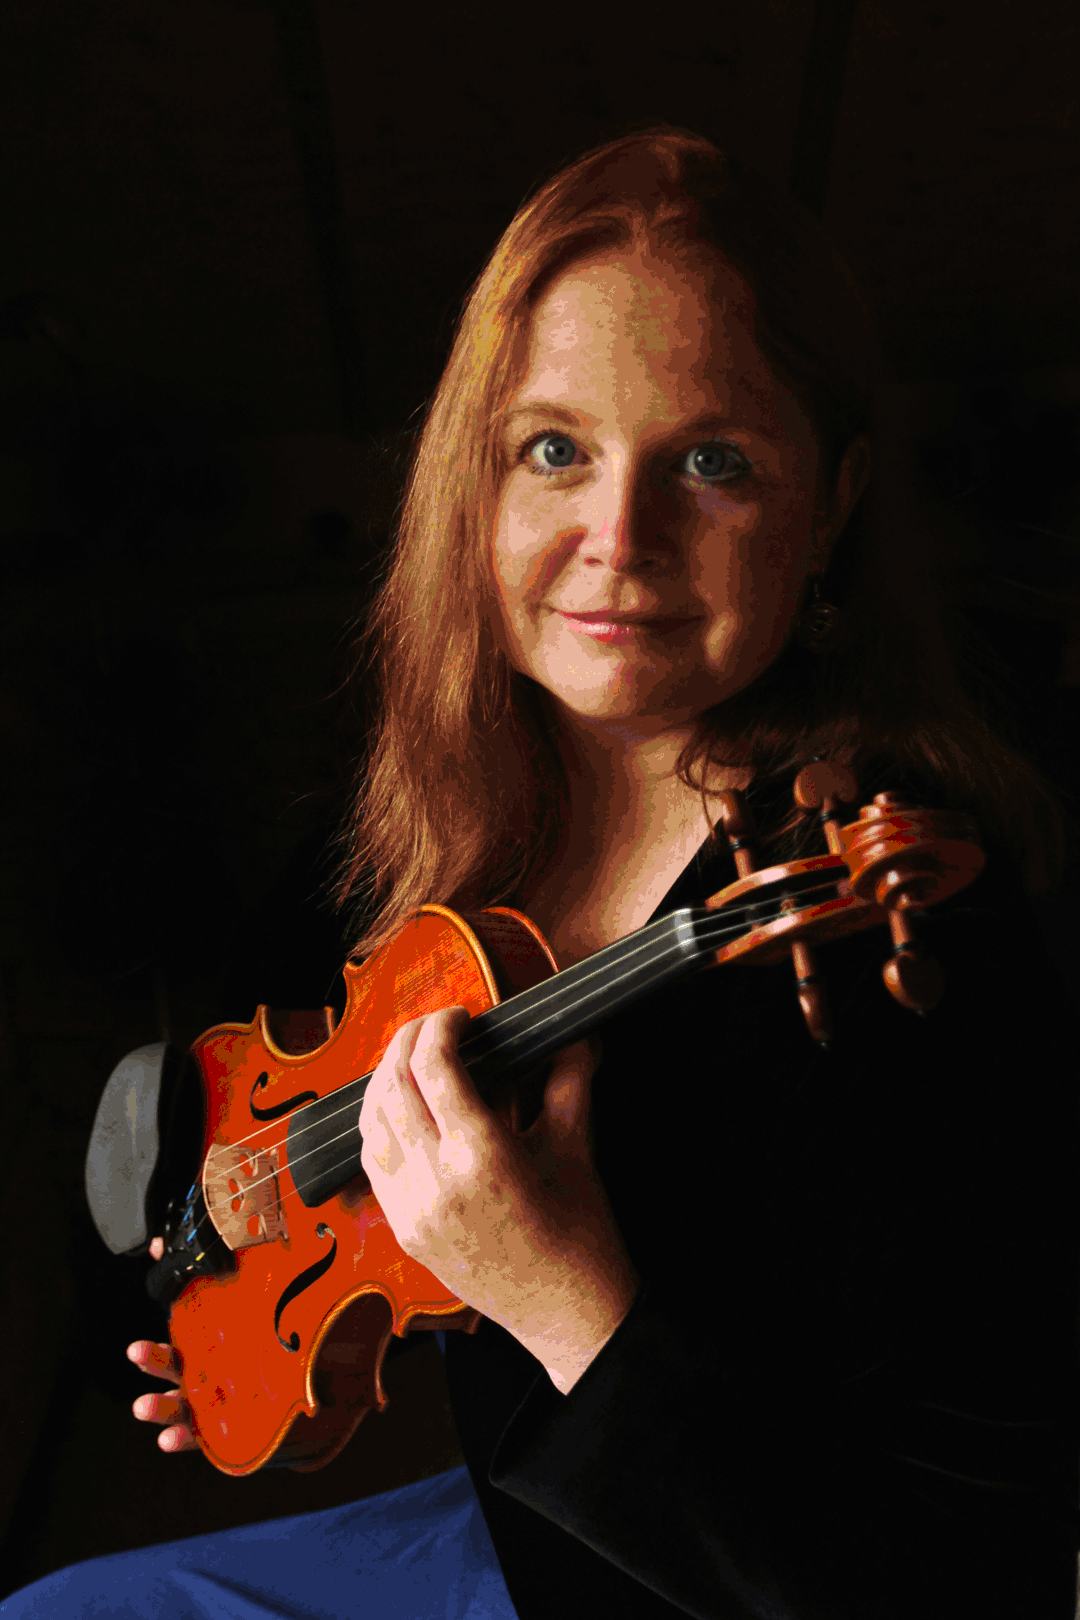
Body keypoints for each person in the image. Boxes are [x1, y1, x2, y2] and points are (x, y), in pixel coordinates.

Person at [5, 126, 1077, 1619]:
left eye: (712, 462)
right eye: (555, 450)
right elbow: (242, 1105)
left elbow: (963, 1584)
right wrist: (235, 1286)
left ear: (830, 503)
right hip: (523, 1542)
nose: (617, 539)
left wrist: (565, 1297)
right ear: (476, 480)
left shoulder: (906, 932)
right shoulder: (458, 802)